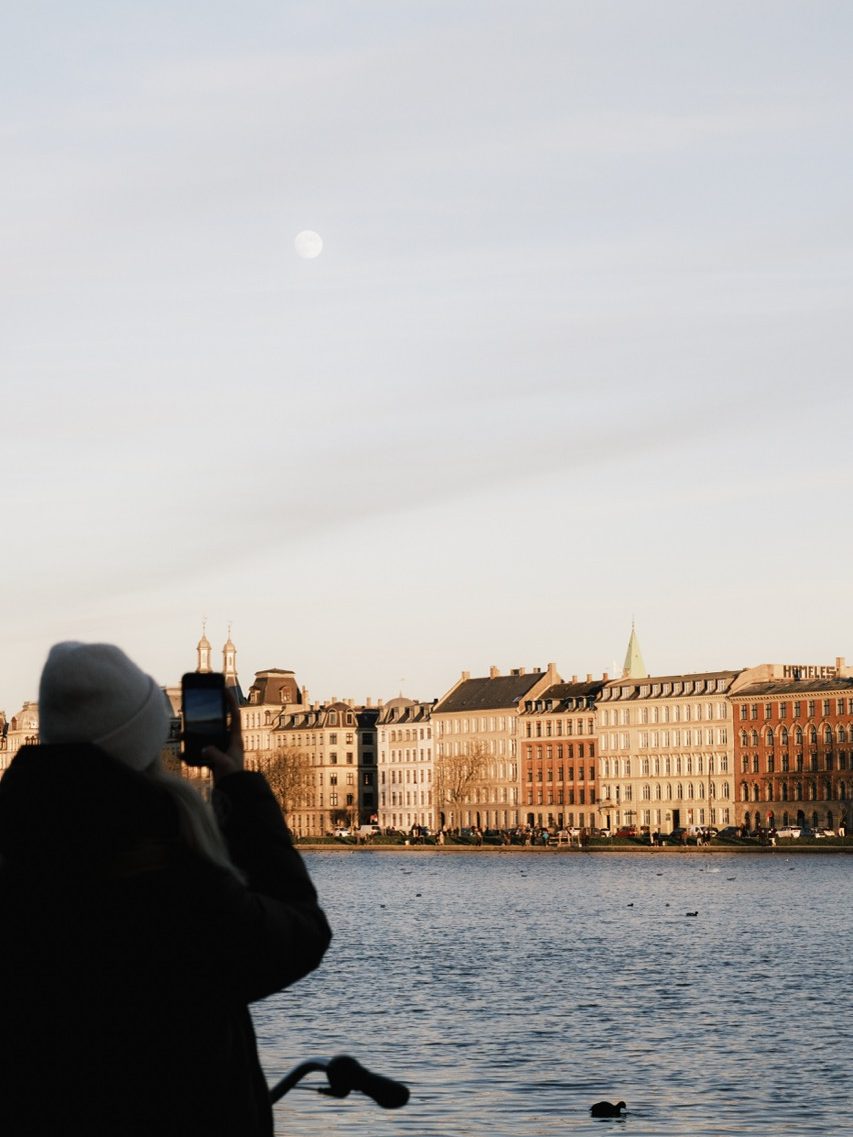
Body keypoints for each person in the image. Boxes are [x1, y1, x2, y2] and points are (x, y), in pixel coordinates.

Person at [0, 642, 332, 1137]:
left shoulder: (20, 865)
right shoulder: (168, 882)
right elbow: (300, 934)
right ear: (149, 744)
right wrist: (239, 785)